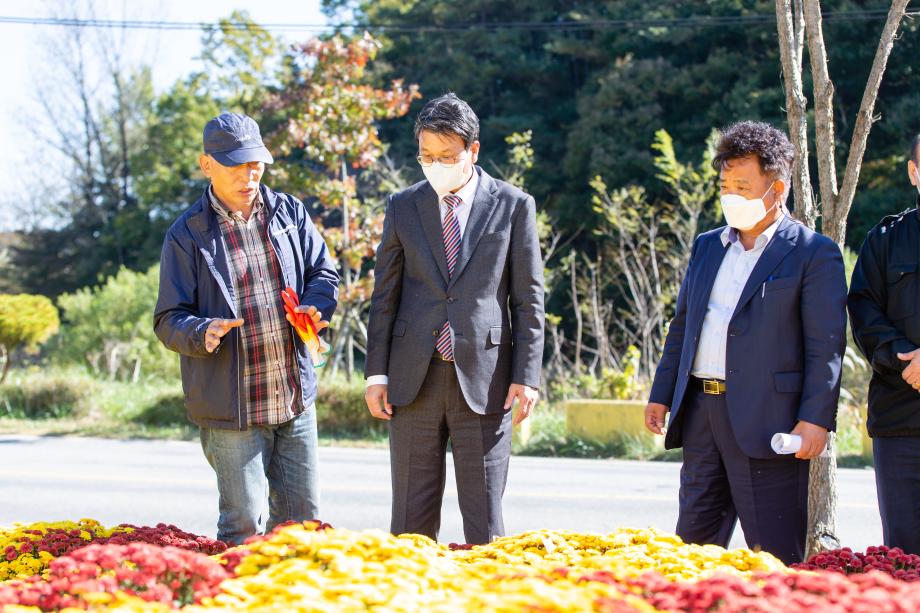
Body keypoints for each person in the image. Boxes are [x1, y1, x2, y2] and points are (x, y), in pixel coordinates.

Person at [644, 120, 847, 564]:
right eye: (725, 186)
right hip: (701, 413)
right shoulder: (708, 247)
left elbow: (826, 346)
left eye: (742, 186)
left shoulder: (812, 253)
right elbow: (684, 326)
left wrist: (816, 419)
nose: (730, 196)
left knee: (774, 556)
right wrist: (662, 393)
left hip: (769, 420)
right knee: (692, 551)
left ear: (777, 189)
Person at [364, 93, 544, 544]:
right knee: (410, 524)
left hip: (486, 382)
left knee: (485, 524)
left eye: (447, 156)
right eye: (427, 156)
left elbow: (528, 300)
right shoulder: (403, 206)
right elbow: (385, 295)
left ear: (473, 150)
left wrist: (526, 377)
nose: (436, 166)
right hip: (413, 380)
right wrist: (376, 374)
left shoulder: (513, 205)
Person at [154, 112, 339, 545]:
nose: (248, 175)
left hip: (293, 398)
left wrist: (315, 305)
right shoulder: (186, 235)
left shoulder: (289, 212)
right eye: (235, 165)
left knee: (304, 530)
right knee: (241, 530)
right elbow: (168, 318)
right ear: (206, 165)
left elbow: (323, 273)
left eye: (255, 164)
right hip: (231, 410)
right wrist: (201, 331)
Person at [847, 133, 920, 555]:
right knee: (904, 555)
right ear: (914, 172)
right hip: (900, 422)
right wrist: (905, 361)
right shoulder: (886, 239)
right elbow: (863, 310)